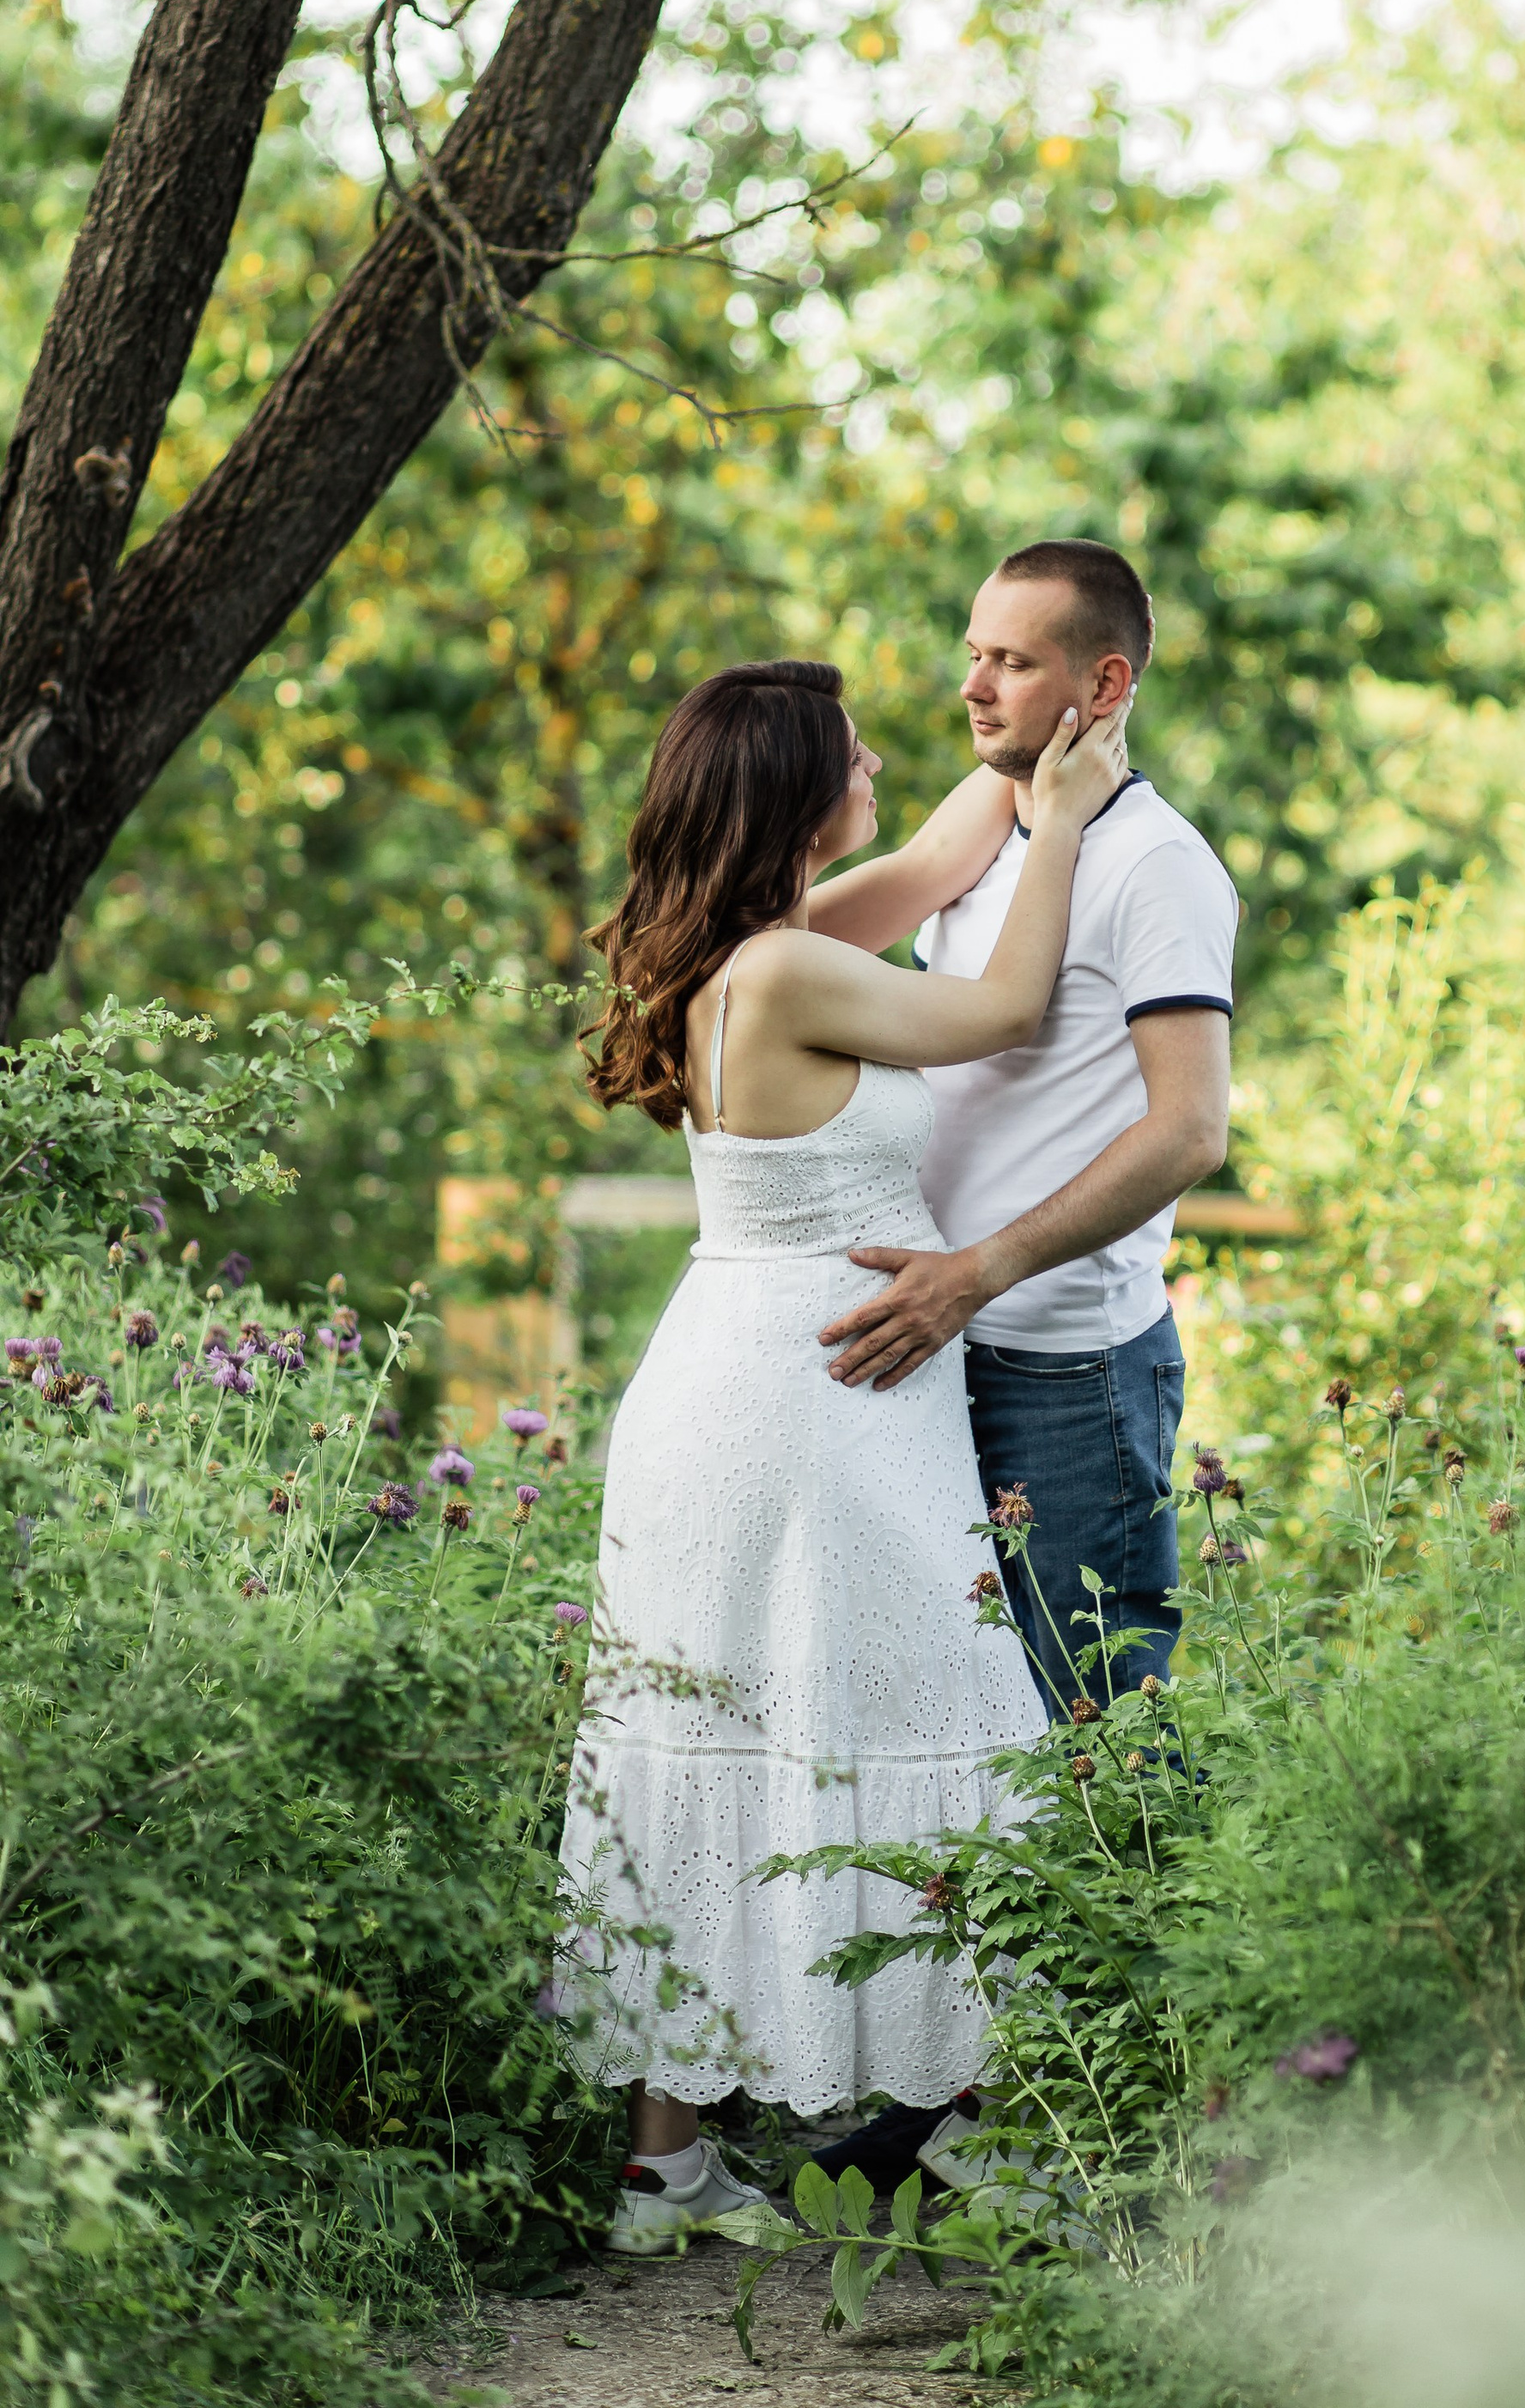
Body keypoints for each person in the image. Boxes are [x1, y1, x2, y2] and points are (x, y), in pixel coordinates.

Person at [556, 657, 1127, 2256]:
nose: (886, 749)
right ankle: (981, 2132)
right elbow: (1006, 1002)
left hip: (769, 1384)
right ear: (800, 791)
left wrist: (1041, 749)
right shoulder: (788, 974)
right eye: (855, 743)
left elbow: (950, 859)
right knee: (928, 1707)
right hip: (809, 1404)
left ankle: (666, 2168)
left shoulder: (763, 950)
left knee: (733, 1716)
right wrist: (1071, 824)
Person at [811, 541, 1236, 1717]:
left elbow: (1192, 1128)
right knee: (956, 1729)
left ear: (1103, 688)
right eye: (973, 655)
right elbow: (796, 943)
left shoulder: (1158, 866)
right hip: (932, 1346)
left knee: (1094, 1728)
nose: (974, 686)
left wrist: (980, 1270)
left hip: (1069, 1373)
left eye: (1011, 661)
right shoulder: (995, 815)